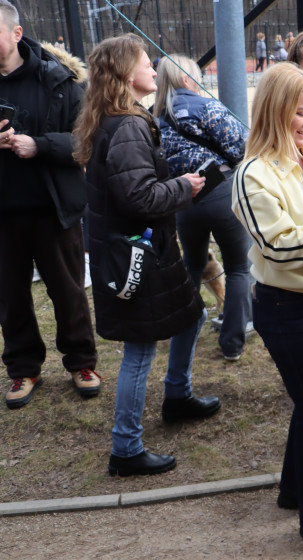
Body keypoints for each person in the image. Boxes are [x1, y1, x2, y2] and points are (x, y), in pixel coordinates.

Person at [75, 34, 221, 477]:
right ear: (124, 73)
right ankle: (126, 448)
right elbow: (138, 196)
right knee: (139, 351)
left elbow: (130, 183)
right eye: (145, 63)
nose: (155, 69)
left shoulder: (117, 120)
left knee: (191, 312)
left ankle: (177, 395)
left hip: (143, 248)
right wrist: (186, 187)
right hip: (138, 253)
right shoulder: (127, 126)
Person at [230, 63, 303, 554]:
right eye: (300, 113)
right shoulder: (253, 174)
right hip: (286, 306)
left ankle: (294, 491)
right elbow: (277, 247)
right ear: (275, 111)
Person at [0, 0, 100, 409]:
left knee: (69, 291)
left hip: (53, 208)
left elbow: (85, 143)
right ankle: (23, 368)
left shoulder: (58, 79)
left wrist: (37, 145)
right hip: (4, 214)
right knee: (10, 296)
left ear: (15, 34)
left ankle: (82, 362)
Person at [155, 55, 251, 361]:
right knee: (238, 266)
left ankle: (185, 336)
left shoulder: (151, 117)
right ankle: (233, 343)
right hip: (220, 191)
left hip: (182, 198)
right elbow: (240, 145)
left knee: (193, 265)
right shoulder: (205, 106)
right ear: (186, 79)